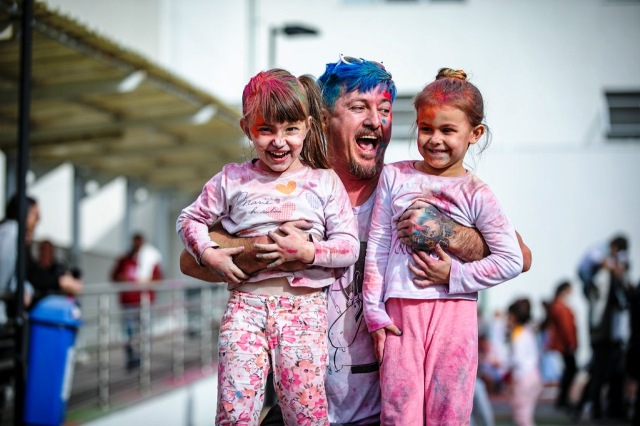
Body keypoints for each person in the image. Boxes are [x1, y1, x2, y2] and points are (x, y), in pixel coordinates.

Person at [180, 56, 532, 425]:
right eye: (358, 107)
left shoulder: (410, 187)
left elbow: (519, 255)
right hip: (302, 408)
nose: (374, 120)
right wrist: (271, 248)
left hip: (381, 411)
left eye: (384, 109)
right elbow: (189, 260)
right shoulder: (286, 192)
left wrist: (446, 231)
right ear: (324, 118)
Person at [176, 68, 360, 425]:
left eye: (291, 129)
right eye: (266, 130)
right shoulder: (233, 179)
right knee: (234, 412)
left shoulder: (323, 182)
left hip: (304, 312)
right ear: (248, 129)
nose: (279, 141)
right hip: (245, 309)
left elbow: (348, 246)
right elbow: (189, 220)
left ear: (307, 126)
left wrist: (307, 252)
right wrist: (209, 254)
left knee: (305, 414)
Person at [362, 68, 524, 424]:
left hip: (456, 315)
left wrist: (455, 273)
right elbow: (379, 242)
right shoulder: (395, 175)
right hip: (399, 314)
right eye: (426, 128)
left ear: (474, 134)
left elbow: (512, 259)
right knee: (399, 411)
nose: (435, 139)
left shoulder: (477, 193)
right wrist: (374, 312)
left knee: (448, 411)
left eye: (448, 130)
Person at [110, 232, 163, 371]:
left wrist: (144, 282)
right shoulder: (124, 260)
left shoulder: (150, 258)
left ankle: (143, 359)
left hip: (145, 302)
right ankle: (131, 359)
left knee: (144, 332)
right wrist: (124, 280)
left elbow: (158, 278)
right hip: (128, 302)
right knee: (128, 333)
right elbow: (114, 276)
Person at [577, 235, 629, 329]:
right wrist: (615, 268)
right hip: (586, 274)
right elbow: (602, 261)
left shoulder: (611, 254)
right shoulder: (602, 248)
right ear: (615, 246)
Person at [506, 298, 543, 426]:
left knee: (521, 417)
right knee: (527, 415)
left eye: (509, 316)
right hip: (534, 375)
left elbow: (516, 359)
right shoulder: (529, 330)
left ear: (514, 317)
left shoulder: (518, 333)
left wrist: (501, 363)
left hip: (523, 378)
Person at [545, 281, 577, 410]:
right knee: (570, 370)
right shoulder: (560, 306)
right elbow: (566, 327)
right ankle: (563, 399)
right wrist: (570, 343)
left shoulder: (558, 305)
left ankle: (563, 398)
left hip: (563, 344)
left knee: (568, 371)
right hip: (564, 345)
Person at [27, 239, 83, 309]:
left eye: (47, 250)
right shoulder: (34, 270)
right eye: (43, 250)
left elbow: (75, 285)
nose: (45, 253)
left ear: (52, 252)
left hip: (56, 306)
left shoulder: (58, 268)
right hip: (39, 306)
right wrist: (60, 282)